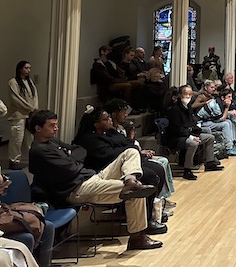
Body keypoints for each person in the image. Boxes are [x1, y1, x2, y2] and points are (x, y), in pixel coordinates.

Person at [27, 110, 162, 250]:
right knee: (136, 192)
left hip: (90, 177)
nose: (56, 128)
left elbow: (79, 149)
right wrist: (72, 159)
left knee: (131, 152)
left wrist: (70, 158)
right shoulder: (39, 151)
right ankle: (137, 238)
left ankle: (130, 180)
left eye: (56, 125)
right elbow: (70, 170)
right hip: (76, 189)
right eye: (52, 125)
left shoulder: (52, 141)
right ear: (38, 128)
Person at [72, 107, 168, 235]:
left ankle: (151, 211)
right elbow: (110, 155)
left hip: (122, 165)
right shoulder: (89, 139)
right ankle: (145, 220)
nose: (110, 121)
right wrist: (133, 147)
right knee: (149, 175)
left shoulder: (109, 133)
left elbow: (127, 143)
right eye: (106, 119)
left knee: (157, 168)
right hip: (103, 170)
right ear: (96, 124)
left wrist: (130, 144)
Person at [105, 99, 176, 213]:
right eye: (123, 112)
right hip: (123, 164)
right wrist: (134, 142)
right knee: (158, 167)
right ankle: (153, 205)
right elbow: (124, 148)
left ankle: (161, 199)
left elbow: (130, 145)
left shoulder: (121, 129)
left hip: (136, 157)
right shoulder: (109, 133)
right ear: (114, 114)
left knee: (162, 162)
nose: (126, 115)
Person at [165, 85, 224, 180]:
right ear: (180, 95)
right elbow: (177, 130)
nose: (188, 96)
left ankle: (209, 163)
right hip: (176, 138)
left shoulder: (188, 107)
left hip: (188, 134)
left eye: (190, 94)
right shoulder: (174, 110)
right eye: (186, 94)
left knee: (210, 137)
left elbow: (192, 124)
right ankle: (187, 170)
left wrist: (196, 133)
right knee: (193, 143)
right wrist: (191, 136)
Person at [7, 61, 39, 170]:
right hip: (18, 115)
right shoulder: (13, 82)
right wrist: (30, 107)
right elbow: (16, 99)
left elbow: (35, 96)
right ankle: (14, 161)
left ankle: (34, 159)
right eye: (26, 68)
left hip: (30, 114)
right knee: (17, 138)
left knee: (30, 137)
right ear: (20, 69)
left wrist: (34, 107)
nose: (28, 70)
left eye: (29, 68)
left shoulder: (29, 81)